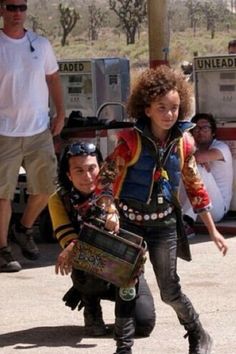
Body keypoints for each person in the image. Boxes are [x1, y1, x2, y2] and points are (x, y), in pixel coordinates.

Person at [93, 66, 228, 354]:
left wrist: (213, 230)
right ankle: (123, 348)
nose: (169, 114)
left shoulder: (185, 143)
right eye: (162, 108)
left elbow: (194, 187)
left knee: (169, 290)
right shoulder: (129, 142)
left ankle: (198, 333)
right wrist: (110, 210)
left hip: (164, 225)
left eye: (175, 108)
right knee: (126, 287)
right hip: (129, 224)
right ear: (147, 108)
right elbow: (104, 179)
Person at [48, 142, 156, 338]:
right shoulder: (58, 199)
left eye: (92, 168)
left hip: (125, 266)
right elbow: (66, 236)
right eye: (79, 171)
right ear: (68, 175)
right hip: (89, 266)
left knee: (143, 325)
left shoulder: (119, 190)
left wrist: (115, 214)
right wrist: (73, 246)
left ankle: (122, 310)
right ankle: (91, 305)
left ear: (101, 168)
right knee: (81, 251)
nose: (87, 177)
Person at [0, 0, 65, 272]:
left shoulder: (41, 44)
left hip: (39, 129)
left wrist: (60, 113)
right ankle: (2, 249)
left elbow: (52, 79)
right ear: (2, 10)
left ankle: (23, 227)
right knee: (3, 195)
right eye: (11, 7)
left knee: (47, 186)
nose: (17, 13)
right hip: (4, 131)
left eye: (22, 7)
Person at [179, 113, 233, 235]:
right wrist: (193, 154)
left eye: (205, 128)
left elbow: (198, 158)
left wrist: (195, 157)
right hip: (196, 208)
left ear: (213, 132)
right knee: (179, 169)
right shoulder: (192, 148)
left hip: (216, 210)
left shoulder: (221, 147)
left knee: (196, 168)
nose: (200, 131)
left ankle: (187, 223)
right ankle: (178, 217)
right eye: (196, 128)